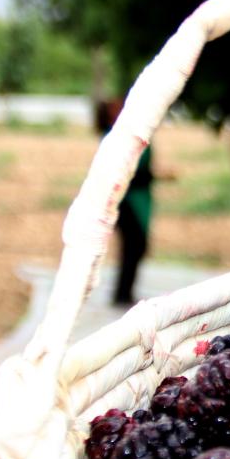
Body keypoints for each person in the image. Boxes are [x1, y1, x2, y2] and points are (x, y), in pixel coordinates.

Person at [95, 97, 154, 307]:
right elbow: (122, 173)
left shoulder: (129, 134)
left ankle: (124, 292)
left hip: (135, 198)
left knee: (135, 246)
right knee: (134, 245)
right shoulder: (116, 139)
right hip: (126, 201)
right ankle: (122, 294)